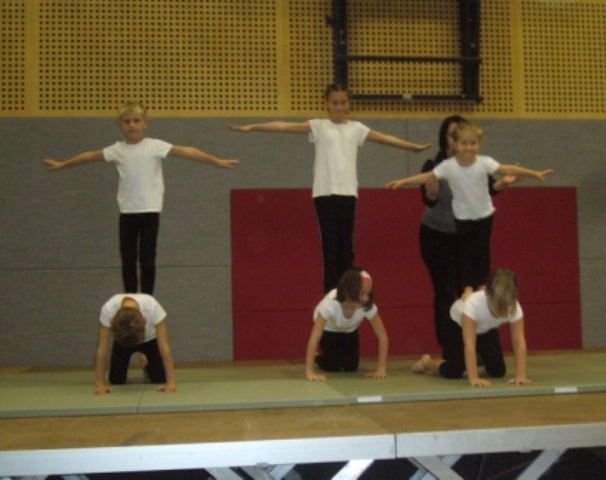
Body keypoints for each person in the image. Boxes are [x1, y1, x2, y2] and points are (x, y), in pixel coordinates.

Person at [229, 83, 431, 293]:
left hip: (348, 193)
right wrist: (253, 127)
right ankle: (331, 292)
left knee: (346, 246)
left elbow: (385, 138)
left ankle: (348, 291)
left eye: (343, 102)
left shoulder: (356, 129)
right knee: (330, 246)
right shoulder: (319, 126)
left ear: (349, 104)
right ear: (326, 104)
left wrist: (412, 147)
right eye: (334, 103)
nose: (339, 107)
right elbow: (283, 126)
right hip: (324, 193)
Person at [43, 101, 239, 295]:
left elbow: (187, 151)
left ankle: (147, 297)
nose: (131, 125)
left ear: (145, 123)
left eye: (136, 121)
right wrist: (63, 164)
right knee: (128, 258)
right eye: (127, 121)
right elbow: (90, 156)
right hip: (127, 211)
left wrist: (216, 161)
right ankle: (130, 296)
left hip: (149, 210)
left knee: (147, 258)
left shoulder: (154, 146)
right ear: (120, 125)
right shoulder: (117, 149)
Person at [387, 121, 553, 296]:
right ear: (455, 144)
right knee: (465, 251)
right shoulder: (448, 166)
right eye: (464, 143)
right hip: (463, 216)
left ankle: (481, 284)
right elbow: (427, 176)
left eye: (473, 143)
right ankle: (467, 286)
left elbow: (508, 168)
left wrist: (535, 174)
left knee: (482, 250)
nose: (468, 147)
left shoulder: (484, 163)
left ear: (479, 144)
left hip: (484, 214)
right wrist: (403, 181)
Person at [419, 115, 520, 351]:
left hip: (468, 234)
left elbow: (491, 189)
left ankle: (479, 348)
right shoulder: (436, 165)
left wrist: (504, 182)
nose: (460, 141)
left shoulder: (477, 164)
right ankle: (451, 348)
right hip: (437, 236)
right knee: (446, 292)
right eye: (453, 135)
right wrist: (432, 192)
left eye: (466, 136)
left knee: (476, 290)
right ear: (448, 139)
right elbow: (428, 200)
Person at [412, 268, 532, 387]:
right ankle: (426, 363)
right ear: (486, 292)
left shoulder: (514, 307)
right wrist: (474, 378)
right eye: (495, 305)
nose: (498, 311)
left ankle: (477, 358)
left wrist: (521, 375)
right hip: (457, 325)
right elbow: (469, 344)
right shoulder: (473, 304)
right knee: (454, 371)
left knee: (497, 371)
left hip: (485, 328)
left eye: (504, 306)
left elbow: (519, 342)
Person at [305, 267, 389, 381]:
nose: (366, 298)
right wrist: (310, 372)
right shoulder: (330, 303)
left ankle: (338, 357)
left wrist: (381, 368)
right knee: (332, 366)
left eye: (368, 294)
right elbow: (315, 337)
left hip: (349, 330)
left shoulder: (366, 306)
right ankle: (318, 357)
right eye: (362, 293)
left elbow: (382, 336)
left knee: (351, 366)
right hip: (329, 329)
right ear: (349, 291)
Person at [94, 293, 176, 395]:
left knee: (160, 378)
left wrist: (171, 382)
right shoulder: (108, 309)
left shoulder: (152, 306)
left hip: (149, 339)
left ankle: (146, 364)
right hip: (122, 341)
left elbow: (164, 347)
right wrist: (100, 384)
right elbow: (102, 348)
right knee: (116, 380)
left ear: (145, 320)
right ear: (112, 320)